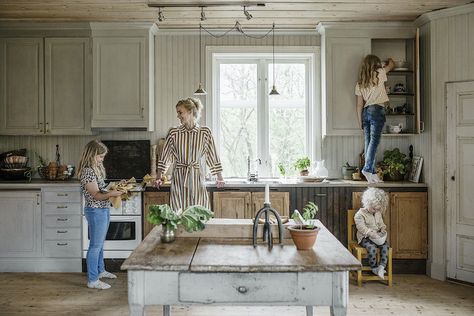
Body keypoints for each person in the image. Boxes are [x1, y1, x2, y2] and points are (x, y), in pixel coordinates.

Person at [155, 97, 225, 212]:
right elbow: (165, 157)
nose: (178, 116)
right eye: (177, 113)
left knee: (198, 213)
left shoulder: (204, 132)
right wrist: (159, 177)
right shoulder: (173, 132)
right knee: (178, 213)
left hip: (197, 177)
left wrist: (219, 177)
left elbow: (213, 155)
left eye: (180, 112)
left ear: (190, 111)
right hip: (179, 178)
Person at [77, 140, 122, 290]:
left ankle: (100, 271)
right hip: (95, 211)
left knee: (100, 244)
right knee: (95, 246)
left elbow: (100, 188)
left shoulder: (95, 168)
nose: (102, 159)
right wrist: (113, 193)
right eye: (100, 156)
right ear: (91, 155)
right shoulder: (87, 171)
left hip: (102, 209)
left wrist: (114, 186)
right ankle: (92, 279)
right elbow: (96, 195)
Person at [355, 54, 394, 183]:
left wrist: (360, 121)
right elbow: (392, 65)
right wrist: (386, 63)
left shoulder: (360, 83)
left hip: (365, 112)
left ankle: (371, 172)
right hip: (376, 110)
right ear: (376, 65)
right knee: (374, 142)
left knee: (368, 141)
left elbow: (359, 104)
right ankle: (367, 168)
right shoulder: (380, 73)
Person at [354, 187, 389, 279]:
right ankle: (374, 267)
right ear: (367, 203)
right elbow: (361, 227)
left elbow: (381, 223)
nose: (376, 211)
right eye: (374, 209)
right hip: (365, 237)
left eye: (377, 209)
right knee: (372, 248)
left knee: (386, 246)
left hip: (377, 237)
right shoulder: (360, 214)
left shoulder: (377, 213)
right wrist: (370, 232)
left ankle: (381, 267)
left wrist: (382, 228)